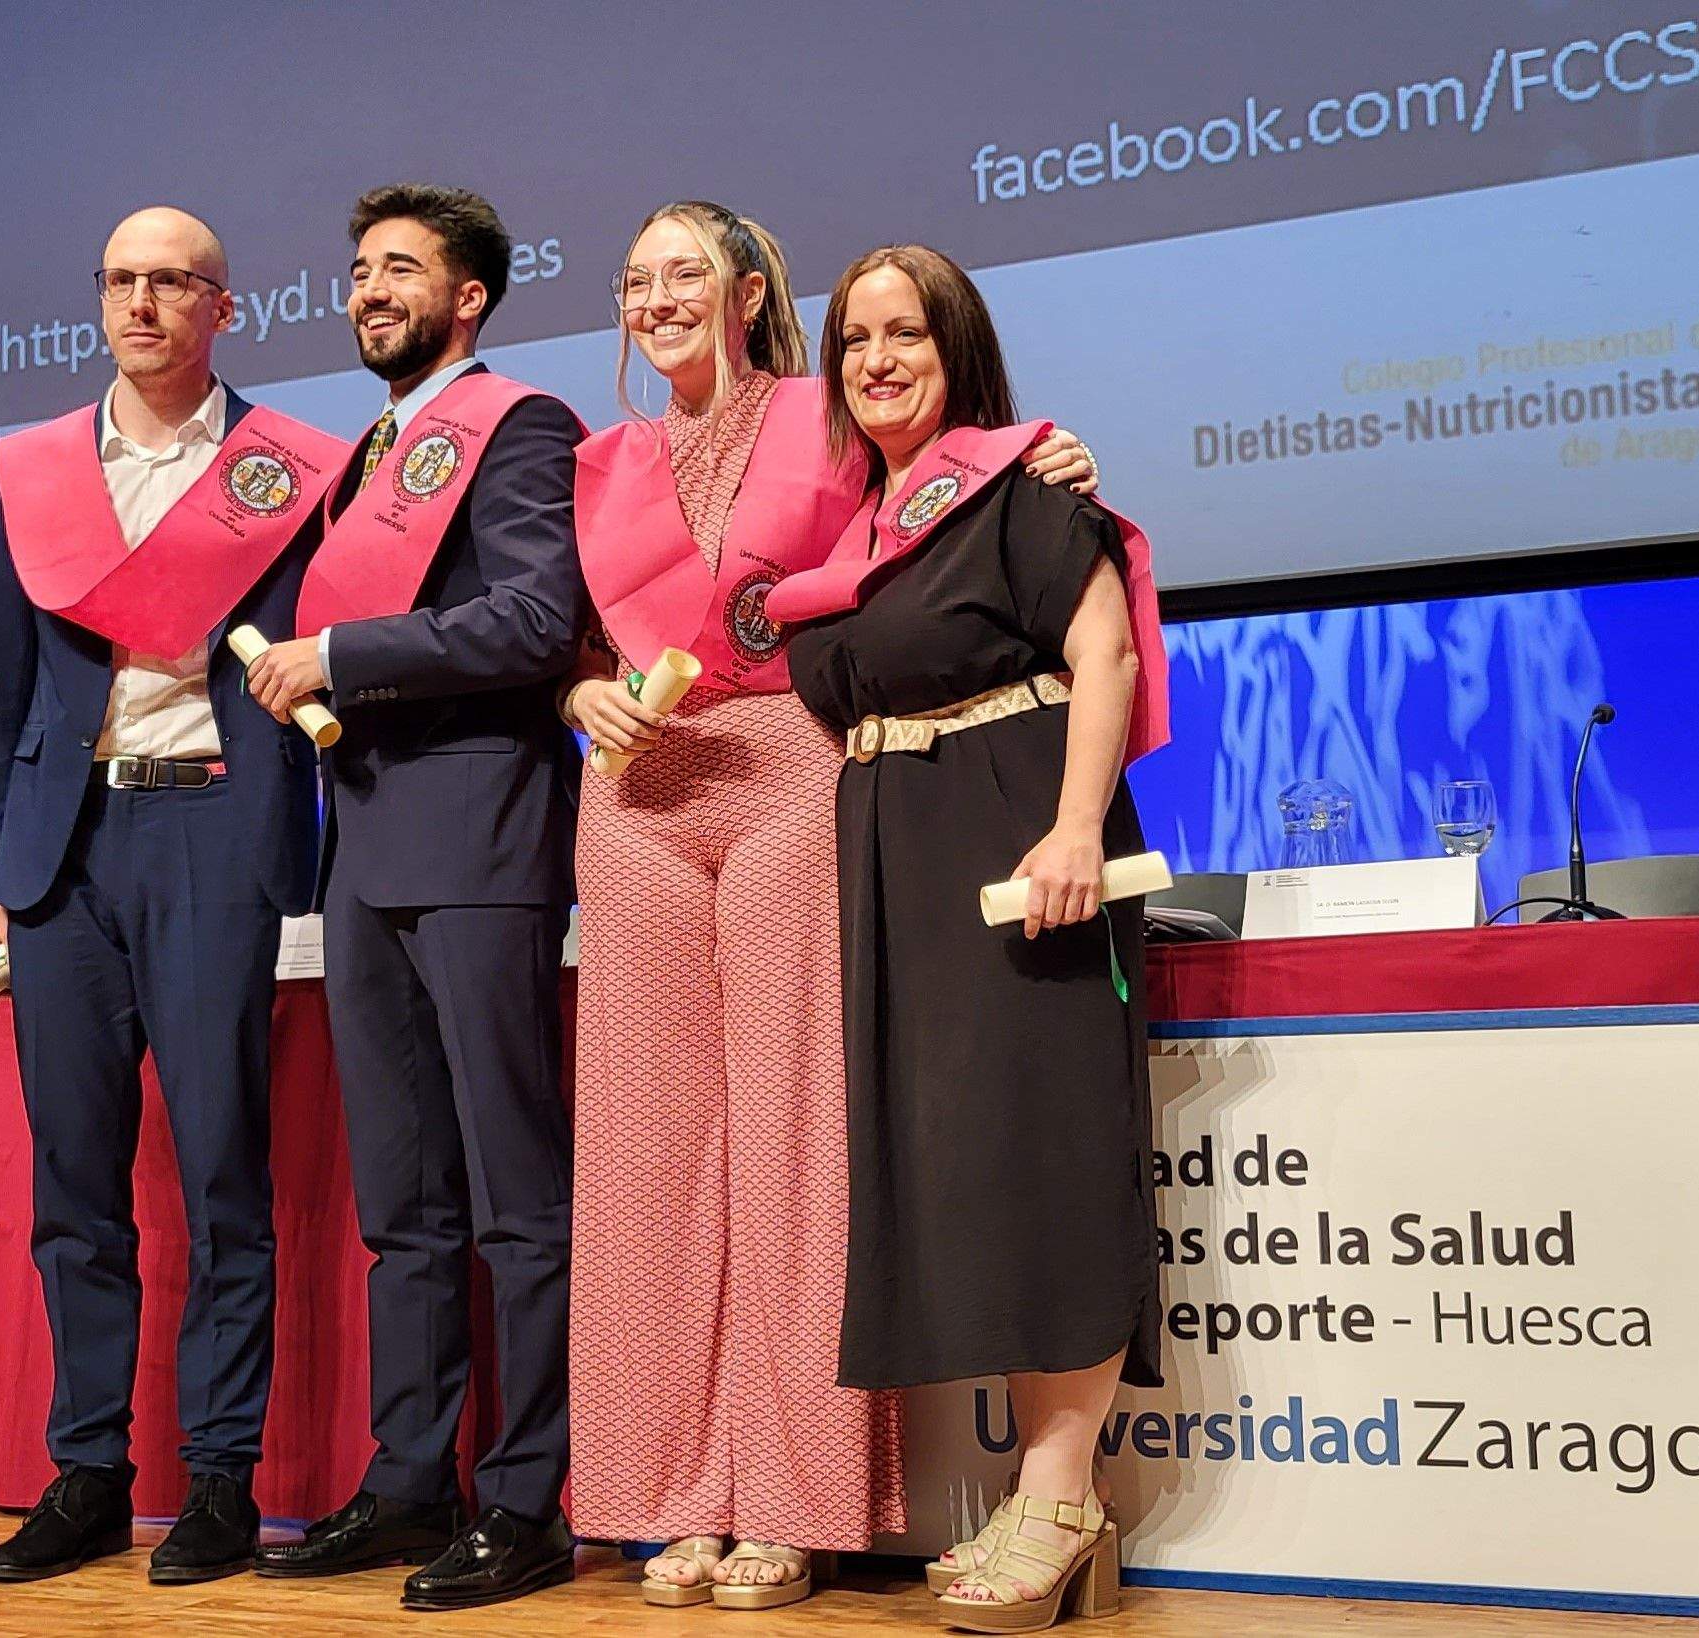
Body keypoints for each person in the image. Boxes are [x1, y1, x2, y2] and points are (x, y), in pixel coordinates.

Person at [563, 203, 1096, 1611]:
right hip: (634, 797)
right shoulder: (597, 456)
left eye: (683, 273)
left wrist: (1044, 455)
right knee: (650, 1153)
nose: (655, 298)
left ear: (749, 288)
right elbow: (565, 630)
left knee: (796, 1142)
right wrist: (572, 688)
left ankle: (795, 1498)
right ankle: (668, 1489)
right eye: (633, 281)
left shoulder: (827, 409)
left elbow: (948, 476)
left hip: (794, 774)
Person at [772, 244, 1171, 1634]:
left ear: (958, 352)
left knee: (1050, 1151)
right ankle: (1034, 1489)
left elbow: (1101, 651)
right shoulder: (857, 538)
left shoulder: (1018, 482)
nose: (877, 359)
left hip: (1024, 836)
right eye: (855, 340)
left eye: (907, 335)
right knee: (965, 1164)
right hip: (902, 857)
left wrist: (1074, 832)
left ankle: (1063, 1492)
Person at [0, 206, 350, 1586]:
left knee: (222, 1175)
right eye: (120, 281)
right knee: (77, 1187)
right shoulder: (32, 471)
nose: (140, 304)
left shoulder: (286, 469)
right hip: (62, 859)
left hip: (211, 836)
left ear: (220, 306)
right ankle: (87, 1471)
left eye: (169, 282)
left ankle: (224, 1480)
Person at [241, 183, 585, 1613]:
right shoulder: (362, 458)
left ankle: (526, 1498)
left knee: (515, 1199)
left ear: (470, 300)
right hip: (366, 846)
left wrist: (337, 654)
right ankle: (407, 1479)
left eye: (400, 269)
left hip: (482, 838)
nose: (369, 289)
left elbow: (535, 617)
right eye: (358, 269)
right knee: (407, 1208)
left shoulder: (518, 426)